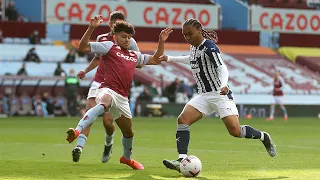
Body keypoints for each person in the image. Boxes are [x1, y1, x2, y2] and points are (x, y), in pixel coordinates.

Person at [160, 18, 277, 173]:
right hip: (204, 95)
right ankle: (181, 159)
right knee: (183, 120)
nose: (188, 38)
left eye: (190, 34)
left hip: (219, 94)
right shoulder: (194, 47)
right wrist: (170, 58)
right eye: (185, 35)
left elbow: (222, 68)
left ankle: (264, 137)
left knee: (235, 131)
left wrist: (224, 85)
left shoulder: (210, 47)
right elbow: (192, 60)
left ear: (199, 30)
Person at [65, 15, 172, 170]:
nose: (127, 40)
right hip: (107, 89)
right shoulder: (109, 46)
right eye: (124, 36)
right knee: (104, 103)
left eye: (129, 37)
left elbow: (156, 60)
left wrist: (162, 40)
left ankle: (126, 158)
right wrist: (91, 28)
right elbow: (82, 47)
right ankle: (77, 131)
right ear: (115, 36)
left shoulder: (134, 55)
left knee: (129, 132)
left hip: (122, 98)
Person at [73, 11, 140, 163]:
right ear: (110, 24)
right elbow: (97, 59)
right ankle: (79, 147)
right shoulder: (102, 39)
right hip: (99, 81)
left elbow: (137, 61)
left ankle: (108, 143)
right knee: (90, 108)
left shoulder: (131, 42)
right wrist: (86, 70)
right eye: (115, 23)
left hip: (116, 85)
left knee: (108, 122)